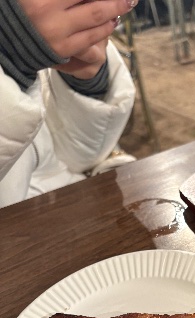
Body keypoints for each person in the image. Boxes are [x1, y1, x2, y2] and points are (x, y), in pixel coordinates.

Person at [0, 0, 138, 208]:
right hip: (22, 221)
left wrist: (86, 82)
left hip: (74, 202)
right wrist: (10, 56)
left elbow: (78, 158)